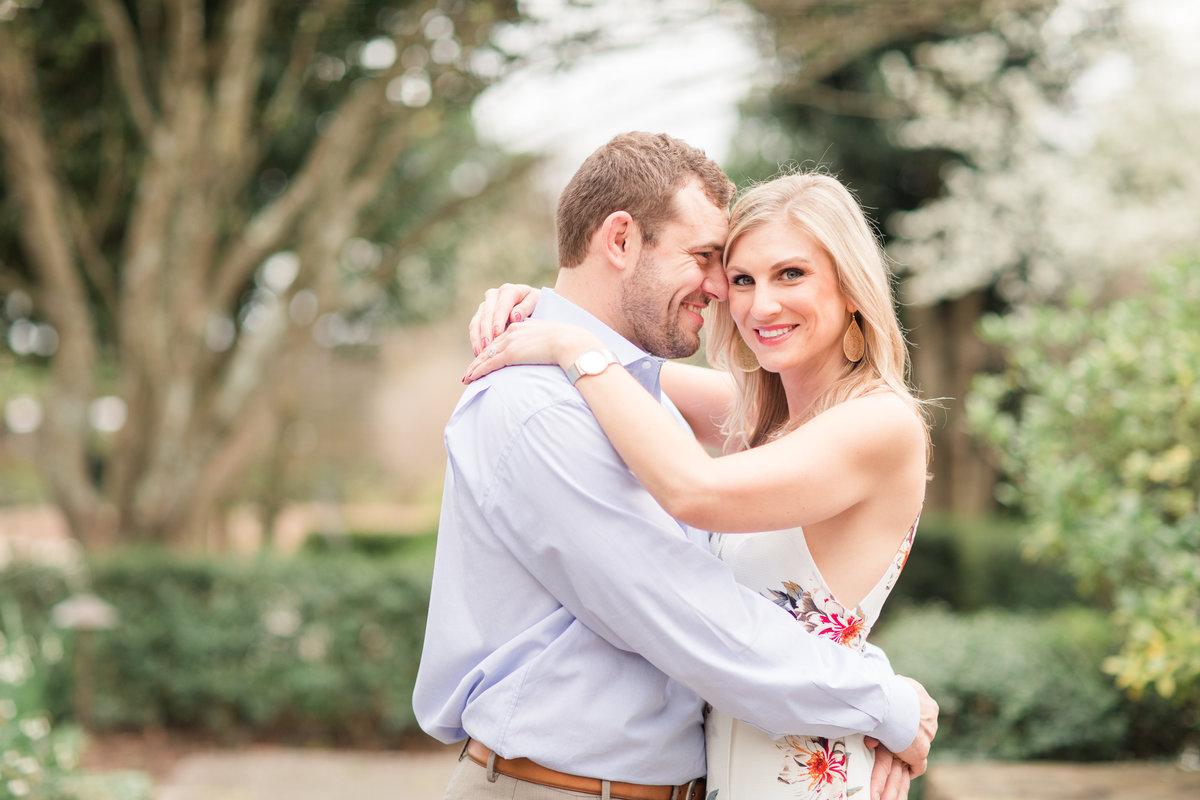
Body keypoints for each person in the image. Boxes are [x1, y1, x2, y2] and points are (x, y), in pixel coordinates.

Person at [414, 133, 937, 800]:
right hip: (561, 786)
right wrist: (887, 702)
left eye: (790, 274)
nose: (729, 294)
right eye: (719, 265)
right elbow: (679, 609)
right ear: (622, 241)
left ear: (853, 286)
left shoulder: (619, 387)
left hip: (771, 772)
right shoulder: (555, 403)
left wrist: (570, 337)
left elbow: (693, 481)